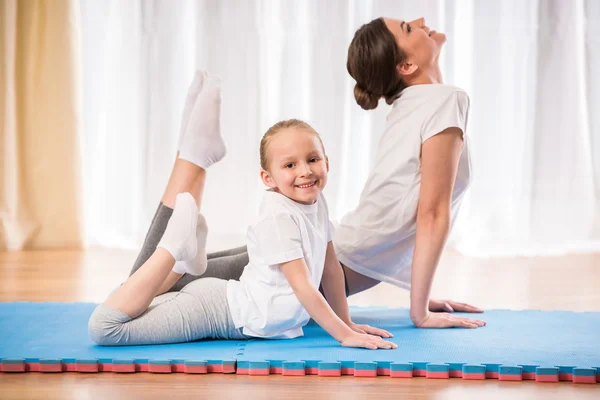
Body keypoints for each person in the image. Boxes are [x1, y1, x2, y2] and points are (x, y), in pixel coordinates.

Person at [157, 17, 487, 330]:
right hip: (315, 263)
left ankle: (190, 153)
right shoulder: (441, 101)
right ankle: (192, 159)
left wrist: (422, 295)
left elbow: (410, 210)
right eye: (408, 27)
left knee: (155, 279)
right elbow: (430, 213)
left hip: (319, 251)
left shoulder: (419, 102)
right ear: (406, 66)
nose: (419, 21)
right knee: (153, 283)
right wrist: (421, 312)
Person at [88, 73, 397, 349]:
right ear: (268, 178)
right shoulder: (280, 217)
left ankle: (184, 261)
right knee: (106, 328)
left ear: (327, 162)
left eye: (313, 159)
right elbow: (303, 286)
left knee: (132, 294)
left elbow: (331, 270)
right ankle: (173, 249)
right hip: (215, 312)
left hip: (227, 303)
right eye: (290, 165)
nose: (305, 171)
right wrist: (344, 336)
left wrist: (347, 323)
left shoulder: (315, 202)